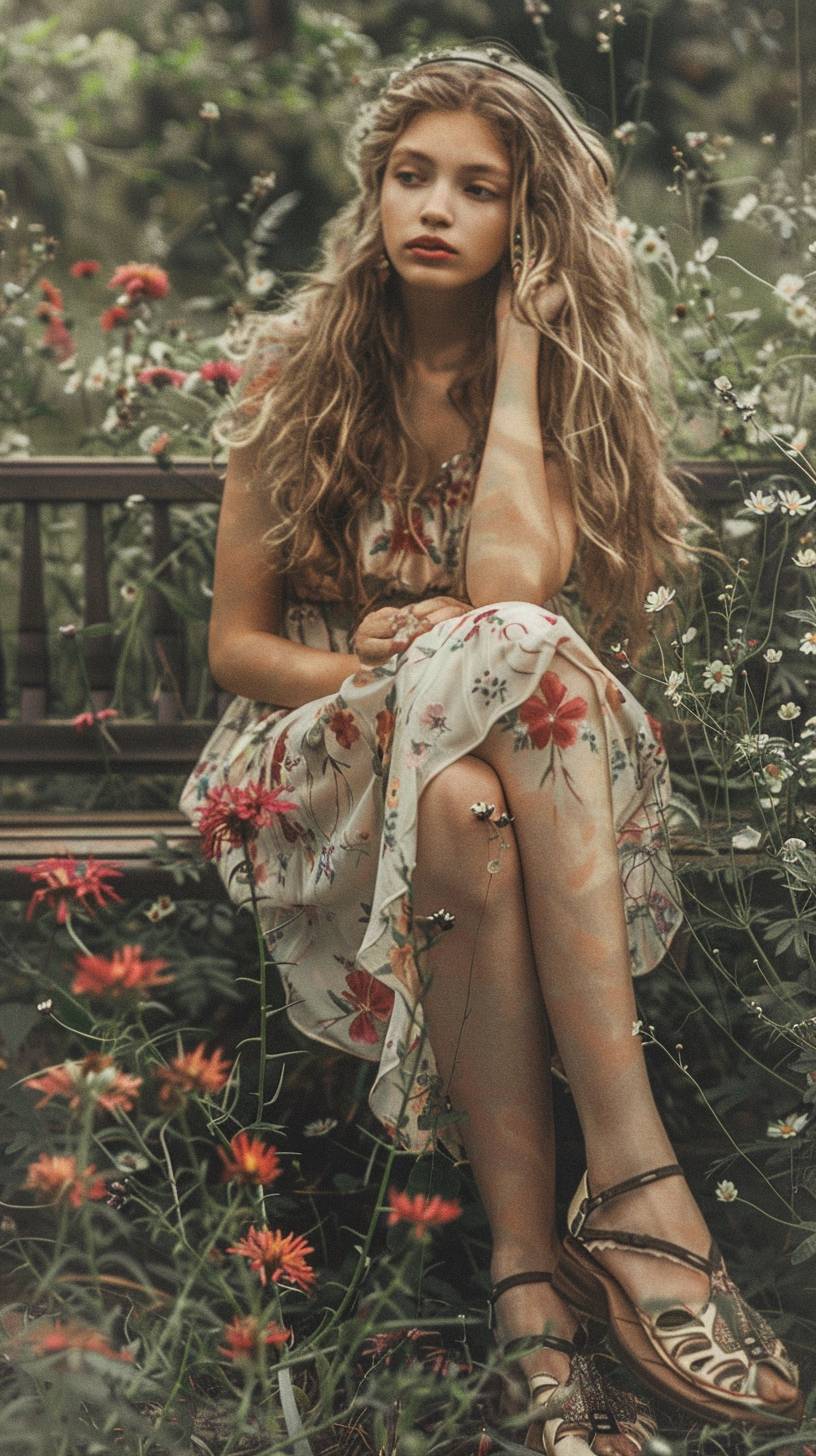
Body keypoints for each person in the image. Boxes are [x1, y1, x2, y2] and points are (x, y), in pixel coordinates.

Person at [179, 41, 803, 1452]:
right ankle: (638, 1185)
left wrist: (521, 361)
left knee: (471, 784)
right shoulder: (298, 373)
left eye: (478, 187)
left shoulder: (563, 387)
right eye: (411, 176)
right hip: (316, 760)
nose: (436, 208)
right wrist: (373, 661)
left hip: (495, 760)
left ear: (531, 225)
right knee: (491, 661)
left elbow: (516, 590)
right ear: (373, 191)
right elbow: (237, 646)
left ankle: (529, 1297)